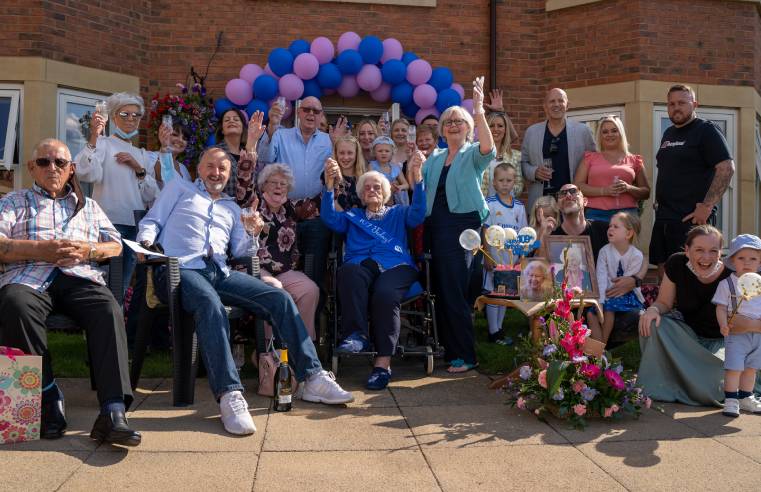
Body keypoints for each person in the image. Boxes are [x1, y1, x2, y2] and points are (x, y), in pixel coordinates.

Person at [137, 146, 353, 436]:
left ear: (229, 175)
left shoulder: (231, 208)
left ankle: (312, 377)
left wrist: (253, 231)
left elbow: (242, 252)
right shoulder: (179, 189)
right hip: (180, 270)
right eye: (210, 166)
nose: (216, 173)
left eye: (222, 169)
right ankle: (229, 395)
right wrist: (148, 244)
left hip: (220, 271)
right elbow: (151, 221)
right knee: (210, 304)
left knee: (278, 297)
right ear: (199, 168)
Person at [0, 138, 140, 445]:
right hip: (29, 274)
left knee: (108, 309)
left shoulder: (88, 206)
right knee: (15, 304)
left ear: (71, 168)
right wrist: (42, 249)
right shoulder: (13, 202)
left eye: (60, 163)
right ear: (31, 168)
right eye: (44, 162)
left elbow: (115, 245)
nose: (52, 168)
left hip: (79, 275)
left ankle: (113, 412)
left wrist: (88, 250)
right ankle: (48, 398)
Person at [321, 155, 426, 390]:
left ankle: (382, 364)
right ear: (360, 194)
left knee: (385, 293)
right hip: (362, 265)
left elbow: (419, 213)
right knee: (348, 272)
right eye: (366, 187)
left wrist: (418, 180)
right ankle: (356, 336)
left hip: (396, 266)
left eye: (377, 187)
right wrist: (329, 187)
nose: (372, 190)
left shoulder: (399, 213)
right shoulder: (353, 216)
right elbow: (329, 218)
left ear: (386, 191)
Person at [421, 76, 496, 373]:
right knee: (442, 290)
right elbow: (421, 187)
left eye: (459, 121)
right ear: (442, 129)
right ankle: (450, 350)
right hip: (435, 228)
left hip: (462, 228)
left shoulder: (472, 154)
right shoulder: (434, 158)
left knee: (456, 290)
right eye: (448, 122)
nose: (453, 125)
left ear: (468, 128)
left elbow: (489, 147)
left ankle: (466, 355)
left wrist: (478, 109)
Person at [638, 225, 744, 406]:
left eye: (713, 251)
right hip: (687, 338)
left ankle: (687, 379)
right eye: (699, 250)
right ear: (687, 251)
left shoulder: (733, 275)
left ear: (721, 253)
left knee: (717, 386)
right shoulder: (676, 264)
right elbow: (664, 303)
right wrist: (653, 310)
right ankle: (667, 380)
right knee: (653, 323)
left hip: (721, 344)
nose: (706, 257)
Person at [74, 92, 160, 295]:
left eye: (136, 115)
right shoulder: (103, 144)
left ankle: (118, 323)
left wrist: (137, 167)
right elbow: (85, 172)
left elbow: (150, 195)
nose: (131, 119)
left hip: (135, 225)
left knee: (123, 283)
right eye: (125, 114)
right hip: (109, 222)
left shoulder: (142, 154)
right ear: (114, 117)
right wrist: (95, 135)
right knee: (104, 280)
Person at [260, 97, 346, 290]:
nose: (311, 114)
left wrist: (337, 144)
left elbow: (338, 172)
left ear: (321, 116)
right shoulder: (282, 135)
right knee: (282, 267)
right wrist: (272, 127)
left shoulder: (328, 140)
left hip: (316, 215)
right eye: (307, 109)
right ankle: (284, 311)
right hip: (283, 213)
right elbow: (264, 159)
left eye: (316, 111)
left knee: (314, 269)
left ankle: (311, 317)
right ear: (298, 113)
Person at [649, 85, 735, 278]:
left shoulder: (706, 130)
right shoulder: (668, 134)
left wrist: (707, 206)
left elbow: (726, 168)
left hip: (691, 219)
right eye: (671, 104)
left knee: (692, 276)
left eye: (682, 103)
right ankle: (668, 308)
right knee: (666, 272)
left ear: (694, 104)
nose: (676, 108)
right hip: (664, 217)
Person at [256, 163, 320, 341]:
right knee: (275, 291)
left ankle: (303, 349)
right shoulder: (253, 204)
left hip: (284, 270)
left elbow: (317, 204)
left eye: (283, 184)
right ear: (263, 186)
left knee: (310, 290)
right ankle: (269, 351)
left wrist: (331, 182)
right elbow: (243, 188)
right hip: (255, 269)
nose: (278, 186)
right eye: (273, 182)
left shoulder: (291, 209)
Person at [520, 88, 596, 213]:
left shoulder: (583, 131)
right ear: (545, 107)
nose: (556, 104)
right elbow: (523, 163)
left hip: (572, 203)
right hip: (542, 204)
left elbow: (593, 163)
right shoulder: (532, 132)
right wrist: (534, 172)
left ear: (567, 105)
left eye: (561, 101)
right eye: (552, 101)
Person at [712, 234, 761, 417]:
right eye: (741, 258)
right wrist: (723, 324)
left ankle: (746, 397)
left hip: (758, 334)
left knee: (751, 368)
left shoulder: (759, 284)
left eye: (753, 258)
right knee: (734, 368)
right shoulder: (727, 284)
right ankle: (731, 399)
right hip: (737, 334)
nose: (747, 262)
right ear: (733, 260)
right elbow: (721, 308)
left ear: (759, 261)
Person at [573, 115, 651, 222]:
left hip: (627, 215)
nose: (609, 134)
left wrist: (628, 188)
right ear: (600, 136)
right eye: (605, 132)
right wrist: (604, 191)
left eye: (614, 130)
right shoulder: (590, 158)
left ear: (621, 133)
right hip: (595, 214)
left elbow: (646, 192)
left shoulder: (634, 160)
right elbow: (577, 186)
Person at [482, 163, 527, 344]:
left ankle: (499, 329)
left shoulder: (519, 207)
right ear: (494, 182)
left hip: (511, 260)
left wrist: (521, 258)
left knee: (505, 293)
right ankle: (493, 331)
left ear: (514, 182)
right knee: (494, 293)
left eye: (509, 180)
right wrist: (486, 254)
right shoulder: (489, 204)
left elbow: (524, 234)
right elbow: (485, 230)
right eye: (501, 180)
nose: (505, 184)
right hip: (494, 258)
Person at [596, 212, 646, 343]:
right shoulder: (604, 251)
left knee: (609, 309)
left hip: (625, 293)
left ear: (628, 234)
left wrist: (607, 300)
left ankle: (602, 346)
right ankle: (595, 350)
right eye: (610, 226)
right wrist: (600, 301)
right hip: (606, 291)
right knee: (591, 313)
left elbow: (624, 283)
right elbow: (600, 277)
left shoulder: (636, 255)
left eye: (615, 226)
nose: (610, 229)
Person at [215, 108, 263, 202]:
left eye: (236, 119)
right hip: (221, 210)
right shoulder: (211, 153)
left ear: (242, 128)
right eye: (227, 120)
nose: (232, 121)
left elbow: (254, 186)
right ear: (222, 130)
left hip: (246, 212)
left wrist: (251, 144)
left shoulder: (250, 152)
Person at [323, 135, 366, 212]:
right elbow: (331, 203)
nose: (346, 157)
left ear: (356, 154)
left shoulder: (365, 176)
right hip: (338, 222)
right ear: (336, 154)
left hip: (360, 223)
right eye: (342, 153)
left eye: (350, 153)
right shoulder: (329, 174)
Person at [369, 136, 409, 206]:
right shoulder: (372, 166)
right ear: (374, 152)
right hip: (379, 199)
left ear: (392, 153)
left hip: (395, 201)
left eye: (387, 151)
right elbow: (370, 183)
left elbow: (406, 185)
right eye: (380, 151)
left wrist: (399, 187)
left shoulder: (395, 167)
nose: (383, 153)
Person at [153, 122, 193, 188]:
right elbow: (161, 176)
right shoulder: (151, 157)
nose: (180, 140)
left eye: (184, 139)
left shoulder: (183, 168)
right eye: (175, 135)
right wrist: (164, 147)